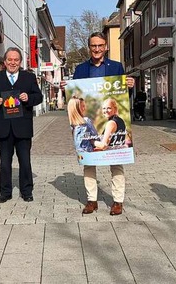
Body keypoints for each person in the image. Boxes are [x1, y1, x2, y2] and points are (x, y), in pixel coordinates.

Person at [63, 32, 135, 216]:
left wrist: (130, 86)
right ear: (89, 47)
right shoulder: (80, 69)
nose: (97, 49)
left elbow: (124, 97)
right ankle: (91, 200)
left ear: (106, 47)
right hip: (92, 129)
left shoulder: (117, 67)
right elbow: (76, 97)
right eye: (93, 46)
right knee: (89, 163)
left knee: (117, 163)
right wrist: (67, 88)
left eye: (100, 45)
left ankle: (118, 201)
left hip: (111, 125)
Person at [0, 47, 43, 203]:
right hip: (3, 128)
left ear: (20, 62)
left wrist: (28, 98)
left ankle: (27, 191)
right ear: (5, 62)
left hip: (22, 127)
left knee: (25, 161)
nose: (13, 62)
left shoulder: (28, 78)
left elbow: (39, 97)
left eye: (16, 60)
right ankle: (5, 192)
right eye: (10, 59)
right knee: (4, 162)